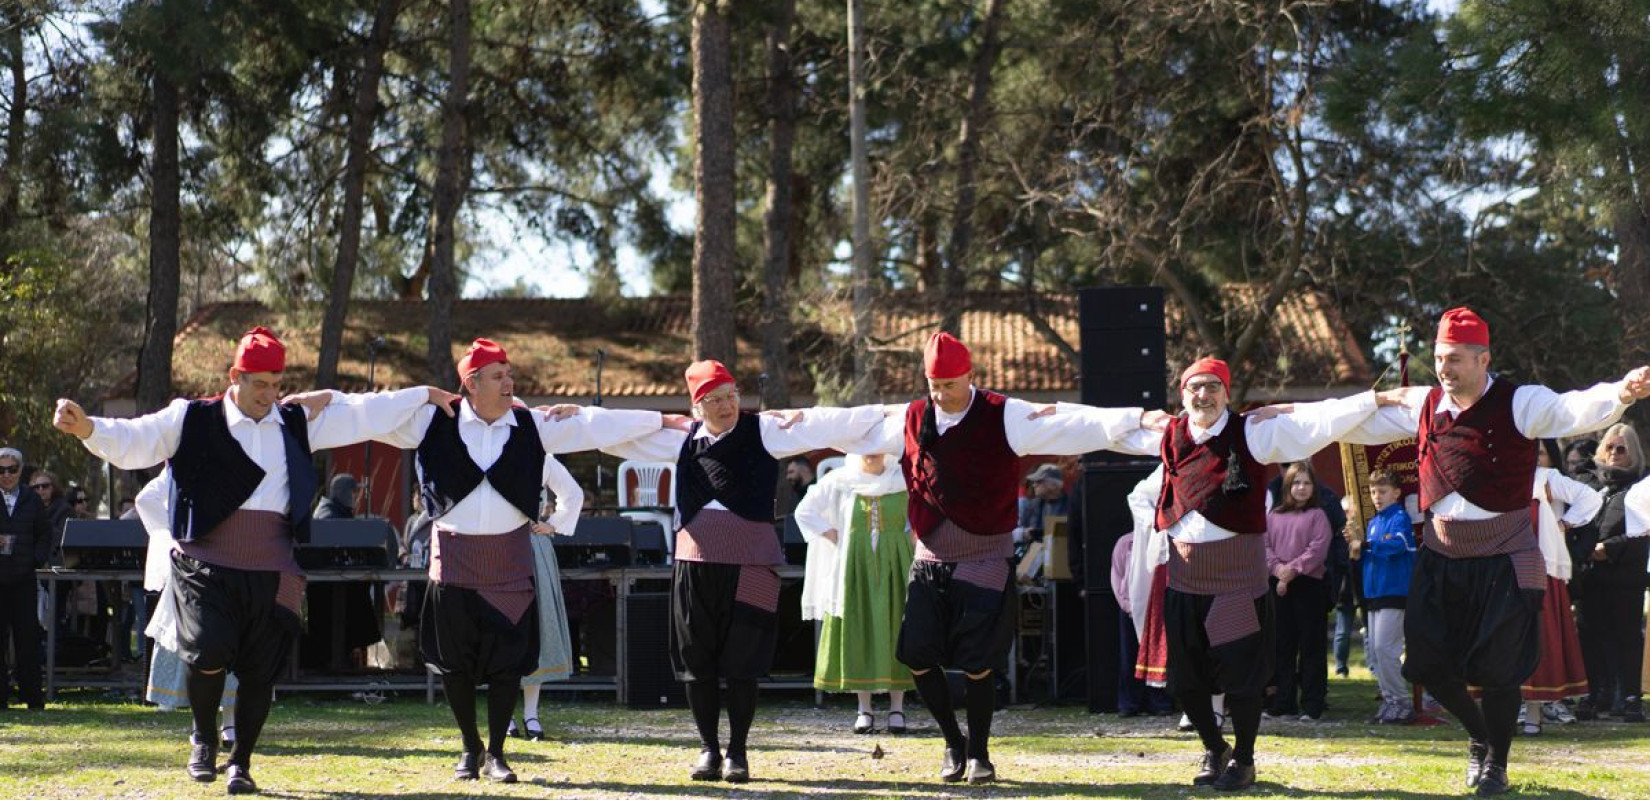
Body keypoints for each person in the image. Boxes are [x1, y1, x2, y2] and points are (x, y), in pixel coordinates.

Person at [53, 325, 457, 795]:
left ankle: (240, 761)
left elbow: (363, 412)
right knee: (208, 651)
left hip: (272, 565)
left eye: (275, 384)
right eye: (259, 383)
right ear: (235, 377)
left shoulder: (296, 420)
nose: (269, 394)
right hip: (204, 562)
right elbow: (137, 437)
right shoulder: (192, 418)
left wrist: (423, 393)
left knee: (260, 671)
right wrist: (87, 427)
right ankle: (203, 738)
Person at [1343, 307, 1650, 796]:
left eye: (1456, 360)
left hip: (1504, 555)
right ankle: (1481, 737)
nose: (1445, 369)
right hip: (1441, 556)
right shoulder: (1424, 404)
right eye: (1440, 358)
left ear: (1483, 359)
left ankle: (1496, 764)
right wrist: (1276, 417)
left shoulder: (1520, 402)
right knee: (1425, 667)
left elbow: (1571, 408)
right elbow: (1353, 418)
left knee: (1499, 671)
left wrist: (1619, 393)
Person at [370, 338, 677, 784]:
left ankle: (496, 752)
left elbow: (597, 427)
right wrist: (421, 393)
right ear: (470, 384)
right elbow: (371, 415)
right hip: (453, 560)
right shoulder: (432, 423)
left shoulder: (533, 425)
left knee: (507, 665)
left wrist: (658, 419)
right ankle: (469, 747)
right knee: (454, 665)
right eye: (498, 376)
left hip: (509, 561)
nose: (509, 382)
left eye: (510, 373)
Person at [603, 359, 890, 784]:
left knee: (744, 659)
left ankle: (737, 751)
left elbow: (824, 423)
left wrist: (887, 415)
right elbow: (611, 438)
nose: (725, 406)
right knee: (696, 659)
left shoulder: (764, 430)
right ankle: (707, 749)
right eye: (714, 400)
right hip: (695, 561)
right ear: (697, 406)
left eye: (731, 396)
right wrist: (655, 416)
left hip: (752, 561)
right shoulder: (680, 440)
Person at [1129, 357, 1404, 791]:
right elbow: (1139, 491)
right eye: (1195, 387)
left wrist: (1373, 399)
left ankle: (1244, 758)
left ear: (1227, 393)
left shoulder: (1253, 432)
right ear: (1183, 394)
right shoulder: (1172, 440)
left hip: (1237, 582)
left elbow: (1319, 421)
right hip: (1184, 581)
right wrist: (1160, 527)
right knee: (1185, 682)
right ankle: (1213, 746)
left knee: (1242, 678)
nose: (1203, 396)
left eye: (1212, 387)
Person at [794, 452, 914, 734]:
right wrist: (831, 533)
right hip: (854, 565)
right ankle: (865, 709)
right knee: (859, 627)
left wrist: (912, 537)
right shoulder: (840, 480)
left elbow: (924, 513)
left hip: (897, 563)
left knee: (897, 626)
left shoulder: (902, 479)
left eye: (877, 448)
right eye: (866, 448)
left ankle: (897, 707)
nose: (872, 454)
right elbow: (805, 511)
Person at [134, 472, 240, 747]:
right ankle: (205, 724)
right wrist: (173, 535)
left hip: (229, 563)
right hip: (196, 567)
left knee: (230, 641)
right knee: (200, 643)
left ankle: (227, 723)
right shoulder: (180, 467)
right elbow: (145, 499)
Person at [1571, 423, 1648, 723]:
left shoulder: (1642, 486)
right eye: (1610, 447)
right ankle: (1595, 693)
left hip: (1625, 576)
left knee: (1626, 637)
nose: (1614, 454)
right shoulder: (1588, 486)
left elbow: (1643, 532)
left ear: (1633, 454)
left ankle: (1630, 696)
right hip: (1589, 576)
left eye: (1622, 449)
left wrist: (1609, 548)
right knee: (1589, 636)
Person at [1520, 440, 1599, 732]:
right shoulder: (1499, 475)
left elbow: (1590, 498)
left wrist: (1564, 523)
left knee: (1537, 639)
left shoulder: (1547, 478)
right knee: (1505, 640)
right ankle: (1505, 711)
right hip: (1502, 568)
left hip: (1540, 567)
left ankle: (1533, 714)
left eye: (1539, 451)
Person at [508, 454, 584, 741]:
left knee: (535, 628)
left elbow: (573, 493)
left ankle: (530, 714)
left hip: (530, 543)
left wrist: (553, 524)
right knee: (503, 628)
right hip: (497, 545)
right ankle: (504, 715)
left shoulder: (540, 457)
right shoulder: (483, 450)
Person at [1263, 462, 1333, 721]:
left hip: (1308, 585)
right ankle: (1284, 701)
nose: (1301, 488)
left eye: (1306, 483)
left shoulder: (1318, 516)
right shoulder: (1274, 516)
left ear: (1313, 487)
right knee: (1282, 645)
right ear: (1287, 487)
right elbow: (1265, 546)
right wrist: (1278, 571)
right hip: (1278, 584)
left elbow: (1317, 550)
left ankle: (1312, 703)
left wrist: (1290, 571)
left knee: (1311, 646)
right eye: (1296, 483)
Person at [303, 473, 380, 670]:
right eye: (353, 493)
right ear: (342, 493)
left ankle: (350, 658)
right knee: (357, 599)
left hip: (338, 585)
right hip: (327, 590)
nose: (356, 498)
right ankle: (339, 664)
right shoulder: (327, 514)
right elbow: (337, 539)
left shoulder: (340, 511)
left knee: (360, 592)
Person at [1361, 470, 1417, 724]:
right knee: (1374, 651)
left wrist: (1368, 546)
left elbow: (1399, 545)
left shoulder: (1400, 517)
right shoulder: (1373, 523)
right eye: (1373, 492)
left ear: (1396, 492)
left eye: (1382, 491)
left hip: (1395, 592)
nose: (1377, 497)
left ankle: (1401, 702)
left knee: (1386, 648)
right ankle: (1389, 700)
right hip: (1375, 594)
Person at [0, 446, 52, 711]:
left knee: (27, 639)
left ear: (20, 471)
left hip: (23, 577)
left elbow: (45, 534)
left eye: (12, 469)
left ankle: (32, 696)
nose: (6, 475)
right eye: (1, 470)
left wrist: (36, 558)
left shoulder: (32, 499)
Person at [1111, 529, 1172, 716]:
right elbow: (1118, 576)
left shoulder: (1167, 542)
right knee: (1129, 656)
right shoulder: (1125, 542)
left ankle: (1159, 701)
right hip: (1131, 609)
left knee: (1159, 656)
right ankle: (1129, 703)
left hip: (1159, 610)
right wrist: (1127, 604)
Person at [1016, 463, 1069, 544]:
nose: (1034, 485)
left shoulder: (1071, 505)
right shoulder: (1034, 505)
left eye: (1039, 481)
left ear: (1053, 485)